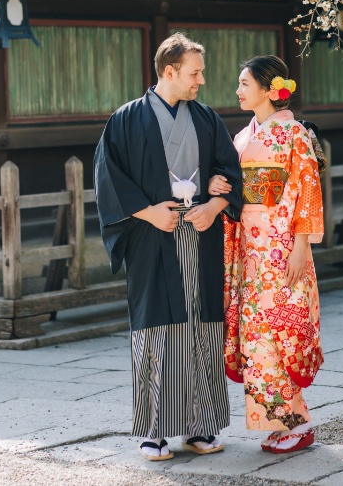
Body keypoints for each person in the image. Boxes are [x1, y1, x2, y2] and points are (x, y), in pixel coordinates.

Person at [94, 33, 243, 461]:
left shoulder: (207, 118)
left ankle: (200, 427)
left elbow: (228, 171)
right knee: (155, 328)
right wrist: (147, 212)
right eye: (194, 73)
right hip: (150, 238)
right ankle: (155, 431)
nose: (201, 81)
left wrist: (215, 206)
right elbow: (108, 178)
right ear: (169, 71)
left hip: (200, 235)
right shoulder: (126, 120)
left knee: (203, 327)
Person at [209, 55, 324, 454]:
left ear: (267, 88)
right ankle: (285, 420)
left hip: (282, 245)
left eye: (244, 83)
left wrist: (301, 246)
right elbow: (236, 189)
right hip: (250, 248)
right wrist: (221, 182)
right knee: (257, 333)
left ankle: (296, 422)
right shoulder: (243, 137)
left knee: (280, 330)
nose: (238, 90)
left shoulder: (293, 133)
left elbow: (307, 191)